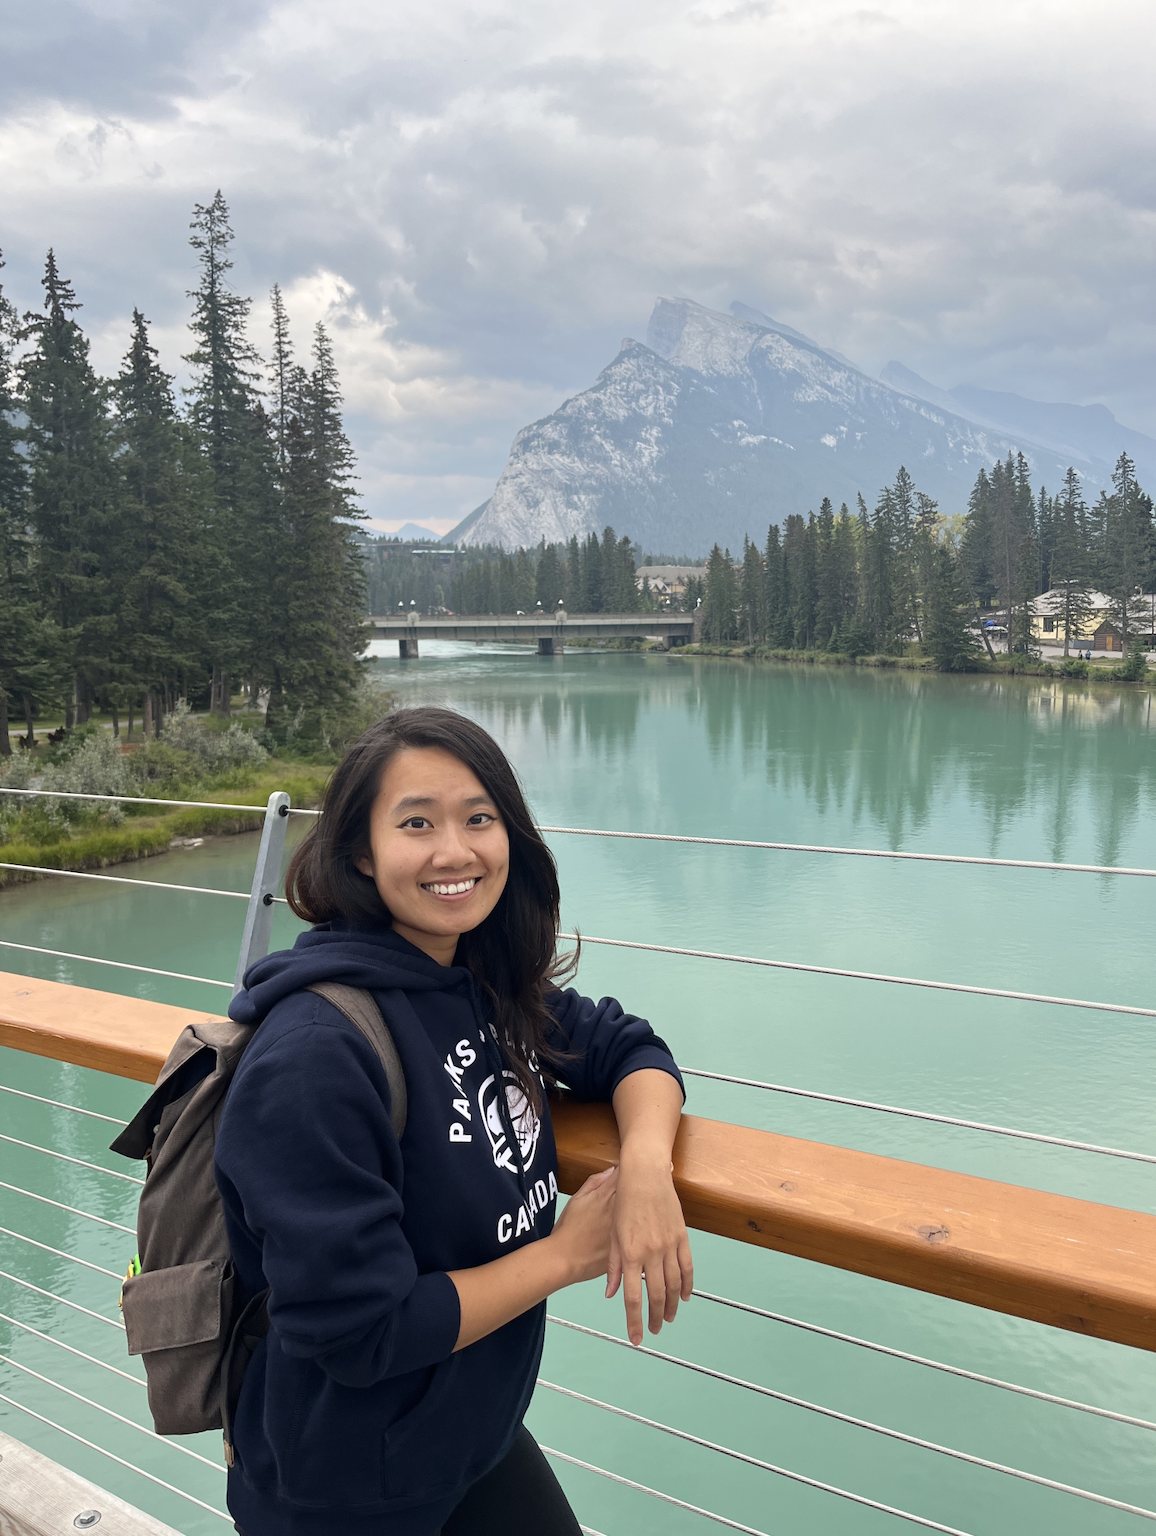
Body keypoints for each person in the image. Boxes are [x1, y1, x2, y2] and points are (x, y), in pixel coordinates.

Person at [217, 707, 691, 1536]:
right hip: (347, 1489)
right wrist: (567, 1254)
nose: (454, 851)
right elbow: (364, 1333)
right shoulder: (316, 1055)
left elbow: (629, 1049)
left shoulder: (477, 979)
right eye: (416, 823)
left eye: (479, 818)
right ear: (361, 852)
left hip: (471, 1437)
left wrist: (648, 1170)